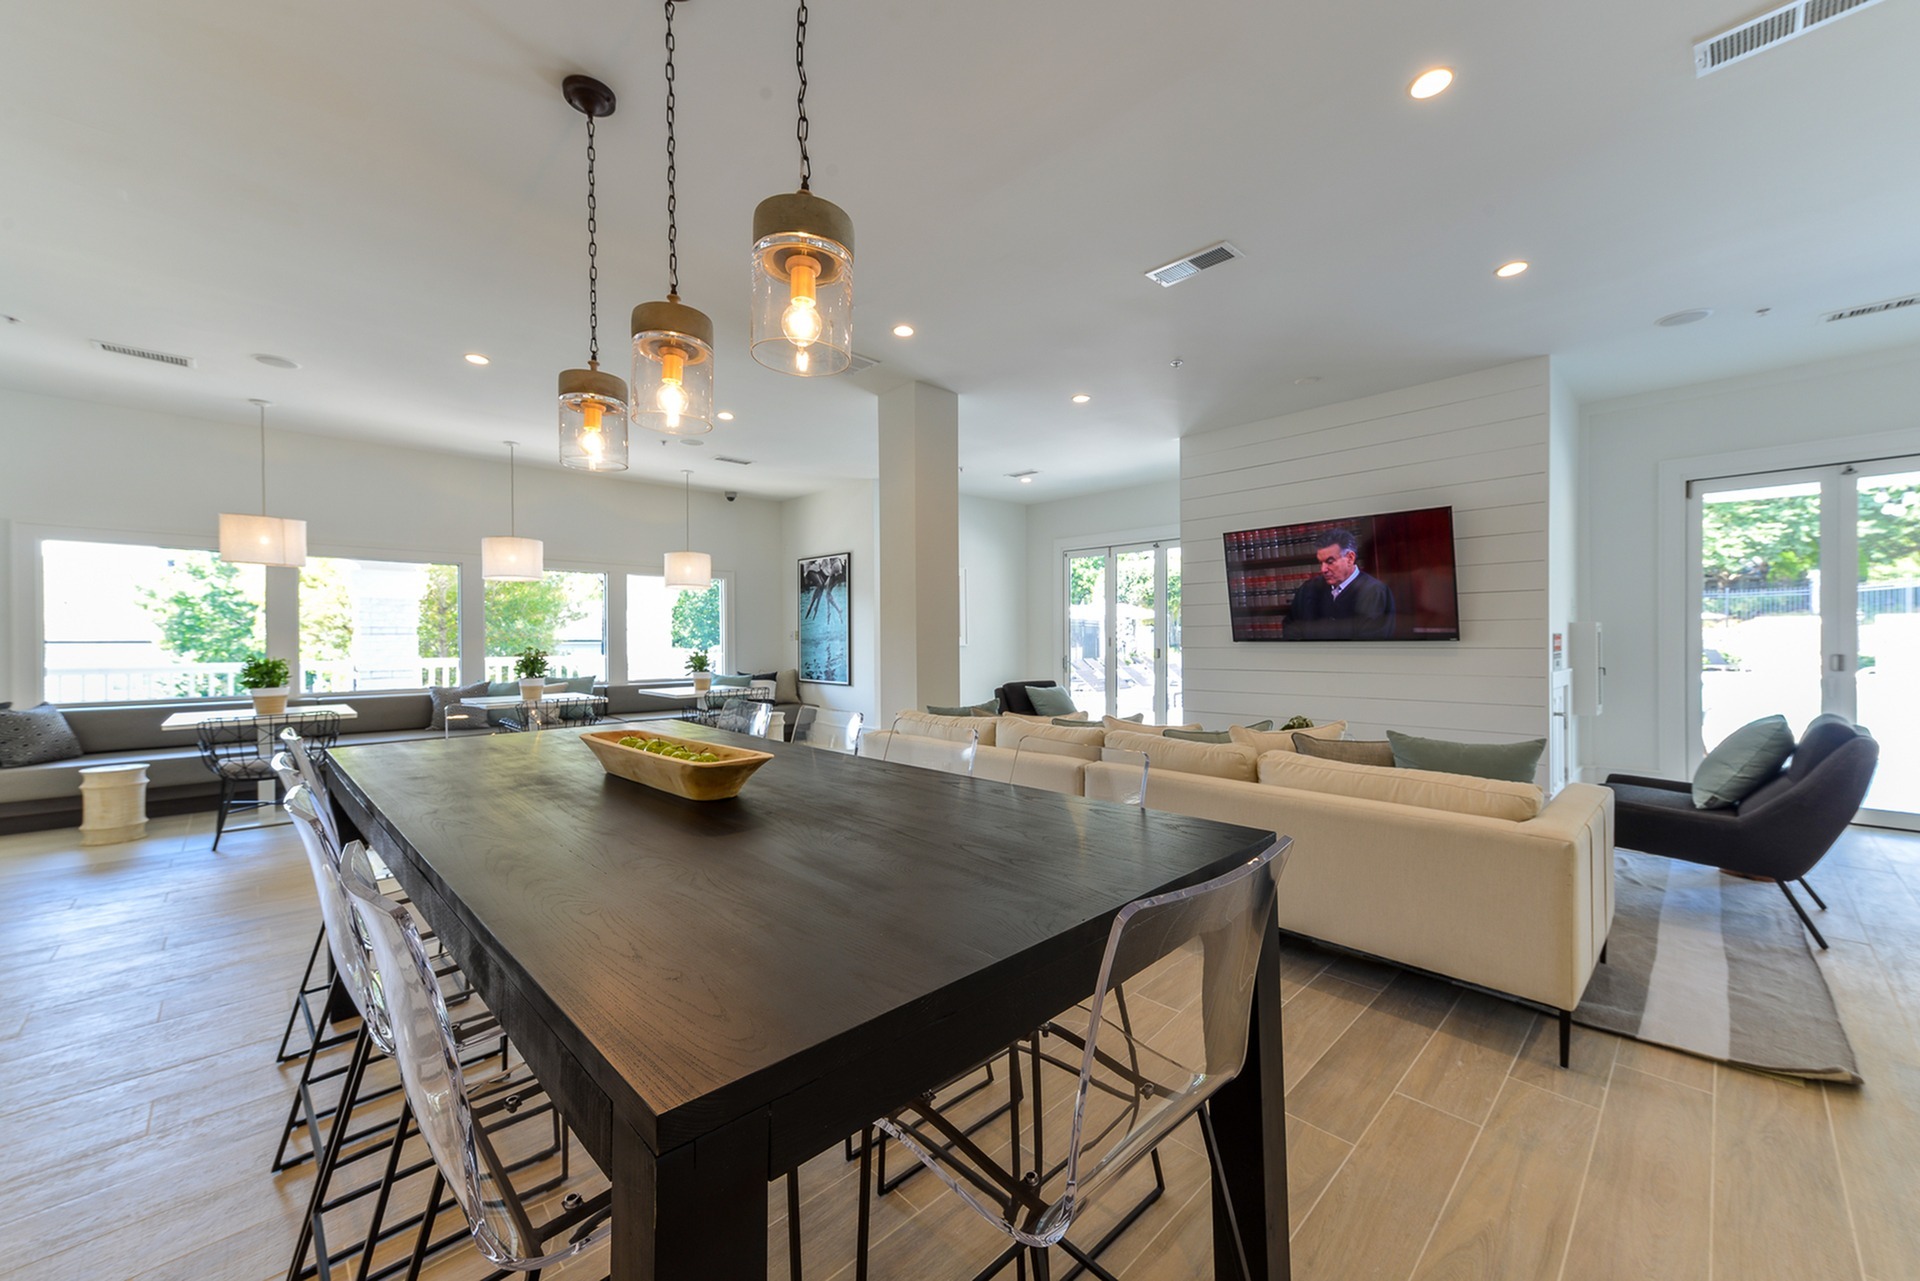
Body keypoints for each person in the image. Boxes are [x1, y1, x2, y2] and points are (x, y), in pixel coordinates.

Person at [1283, 527, 1395, 639]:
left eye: (1330, 562)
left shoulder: (1374, 592)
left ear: (1350, 558)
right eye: (1320, 562)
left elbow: (1372, 643)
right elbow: (1291, 630)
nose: (1323, 569)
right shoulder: (1308, 590)